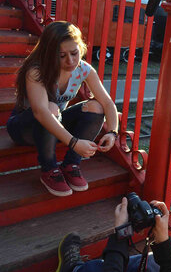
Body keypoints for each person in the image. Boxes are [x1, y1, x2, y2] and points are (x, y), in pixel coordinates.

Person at [7, 21, 118, 197]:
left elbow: (107, 102)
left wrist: (112, 132)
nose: (71, 61)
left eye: (74, 53)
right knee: (50, 107)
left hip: (54, 126)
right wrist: (74, 142)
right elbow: (40, 112)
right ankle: (49, 169)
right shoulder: (36, 71)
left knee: (95, 106)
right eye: (62, 55)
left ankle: (71, 164)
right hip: (23, 129)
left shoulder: (83, 69)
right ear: (50, 54)